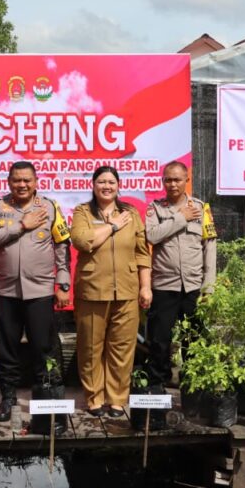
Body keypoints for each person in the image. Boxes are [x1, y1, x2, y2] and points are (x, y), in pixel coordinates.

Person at [0, 161, 71, 422]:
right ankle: (7, 399)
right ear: (9, 182)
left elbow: (62, 245)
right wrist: (22, 225)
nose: (22, 185)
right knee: (6, 348)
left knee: (43, 347)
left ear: (36, 182)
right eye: (16, 180)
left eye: (27, 180)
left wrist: (63, 283)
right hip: (6, 291)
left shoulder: (50, 207)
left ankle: (44, 398)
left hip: (40, 289)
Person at [69, 165, 152, 418]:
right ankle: (94, 398)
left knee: (123, 346)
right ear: (93, 185)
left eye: (111, 182)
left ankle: (117, 399)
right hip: (92, 289)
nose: (107, 186)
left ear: (118, 186)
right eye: (102, 182)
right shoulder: (83, 212)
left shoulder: (131, 213)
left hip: (127, 290)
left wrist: (146, 285)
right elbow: (82, 241)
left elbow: (141, 251)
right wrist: (112, 226)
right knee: (90, 347)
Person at [144, 161, 217, 387]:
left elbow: (210, 247)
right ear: (163, 181)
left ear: (187, 180)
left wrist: (209, 286)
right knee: (159, 340)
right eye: (168, 179)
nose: (172, 184)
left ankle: (193, 382)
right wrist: (180, 217)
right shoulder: (155, 209)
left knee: (194, 338)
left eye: (177, 179)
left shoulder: (201, 208)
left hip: (194, 286)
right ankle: (159, 383)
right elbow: (152, 236)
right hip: (165, 286)